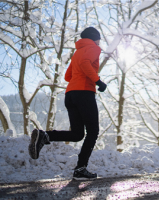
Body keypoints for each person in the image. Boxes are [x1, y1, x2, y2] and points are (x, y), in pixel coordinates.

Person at [28, 27, 107, 180]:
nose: (99, 41)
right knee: (93, 131)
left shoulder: (77, 52)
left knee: (77, 134)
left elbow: (68, 76)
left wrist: (82, 80)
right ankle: (80, 169)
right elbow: (85, 64)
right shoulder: (94, 48)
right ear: (94, 38)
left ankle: (45, 136)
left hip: (70, 94)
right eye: (99, 38)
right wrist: (98, 81)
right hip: (84, 93)